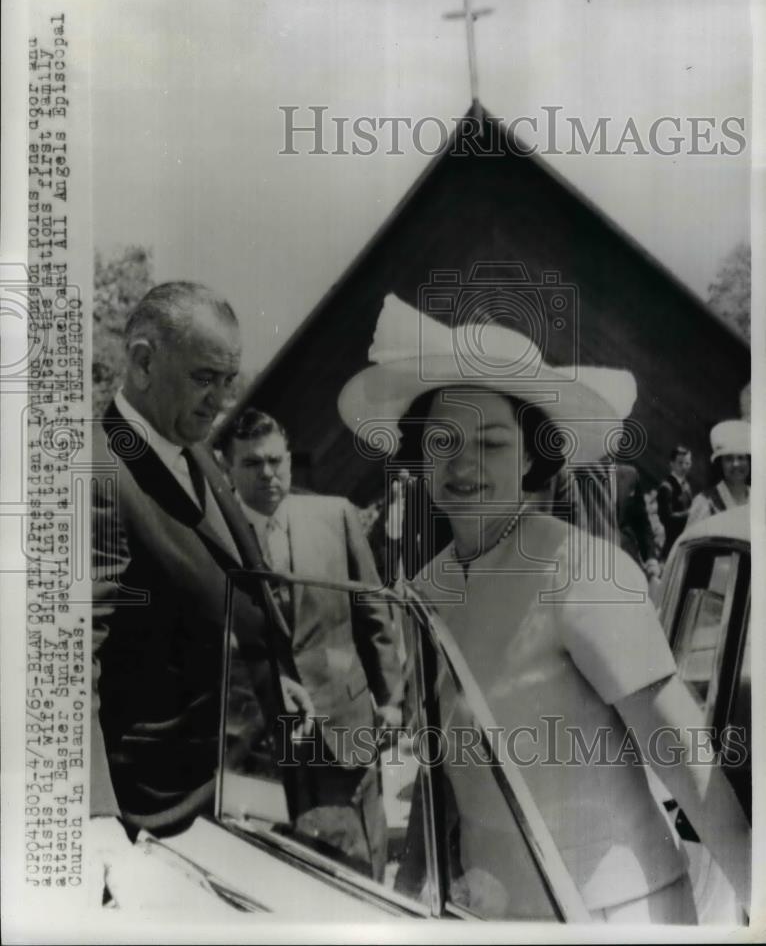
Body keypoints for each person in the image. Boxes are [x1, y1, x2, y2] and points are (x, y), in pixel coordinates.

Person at [338, 294, 750, 923]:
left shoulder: (582, 567)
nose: (465, 463)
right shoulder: (425, 588)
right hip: (489, 911)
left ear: (530, 456)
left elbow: (680, 745)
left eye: (492, 443)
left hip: (619, 912)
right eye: (444, 439)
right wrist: (411, 888)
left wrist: (758, 891)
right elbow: (440, 769)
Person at [90, 283, 312, 904]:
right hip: (153, 822)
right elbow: (69, 663)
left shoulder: (194, 449)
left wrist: (271, 675)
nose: (222, 400)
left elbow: (222, 577)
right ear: (141, 361)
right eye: (205, 378)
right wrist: (94, 817)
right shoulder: (99, 472)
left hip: (237, 791)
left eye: (230, 379)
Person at [222, 408, 402, 881]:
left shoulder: (335, 515)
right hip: (260, 740)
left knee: (363, 855)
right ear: (228, 467)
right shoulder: (216, 540)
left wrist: (391, 700)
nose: (268, 473)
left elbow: (373, 613)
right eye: (252, 463)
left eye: (276, 460)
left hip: (345, 720)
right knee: (288, 862)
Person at [687, 420, 750, 526]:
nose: (736, 464)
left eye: (741, 458)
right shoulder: (704, 503)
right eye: (729, 459)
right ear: (720, 464)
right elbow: (692, 541)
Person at [656, 445, 694, 559]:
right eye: (680, 463)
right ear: (672, 464)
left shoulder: (686, 485)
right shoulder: (666, 487)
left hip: (686, 541)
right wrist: (690, 514)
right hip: (672, 543)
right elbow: (666, 518)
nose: (684, 467)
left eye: (687, 463)